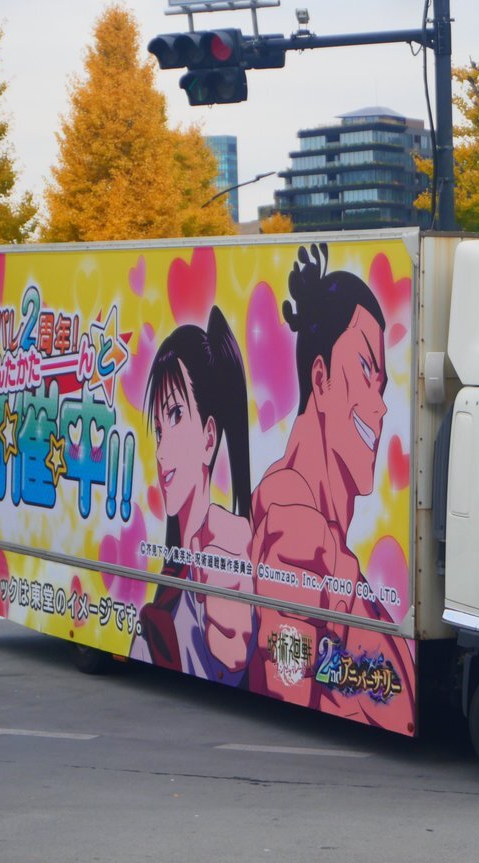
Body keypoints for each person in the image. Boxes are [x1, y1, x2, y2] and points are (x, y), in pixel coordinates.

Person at [250, 243, 413, 732]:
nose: (380, 406)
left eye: (382, 385)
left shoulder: (318, 529)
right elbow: (288, 677)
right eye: (365, 370)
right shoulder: (293, 520)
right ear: (319, 378)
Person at [131, 306, 256, 686]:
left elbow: (233, 649)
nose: (160, 449)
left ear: (208, 437)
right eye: (158, 428)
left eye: (175, 415)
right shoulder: (173, 577)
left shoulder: (224, 550)